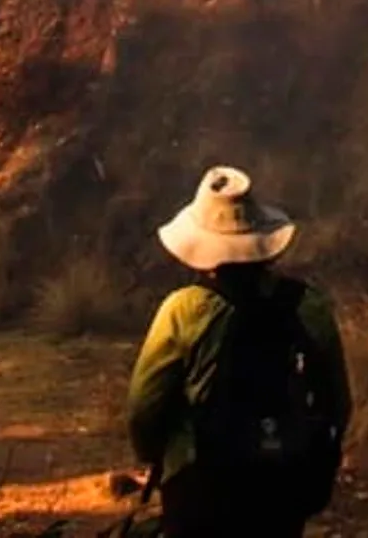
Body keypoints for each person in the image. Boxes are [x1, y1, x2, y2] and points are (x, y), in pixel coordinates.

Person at [126, 166, 352, 538]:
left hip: (199, 485)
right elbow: (338, 404)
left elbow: (143, 408)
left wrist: (157, 459)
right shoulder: (309, 305)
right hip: (283, 480)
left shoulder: (183, 310)